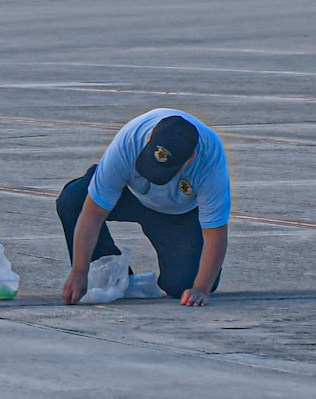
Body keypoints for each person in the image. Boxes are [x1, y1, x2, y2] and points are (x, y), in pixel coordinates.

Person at [58, 110, 230, 307]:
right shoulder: (128, 141)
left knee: (184, 285)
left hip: (177, 213)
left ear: (191, 158)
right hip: (130, 195)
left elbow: (215, 234)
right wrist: (79, 271)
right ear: (149, 139)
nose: (155, 176)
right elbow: (93, 212)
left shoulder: (210, 162)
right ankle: (111, 273)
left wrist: (200, 289)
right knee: (74, 201)